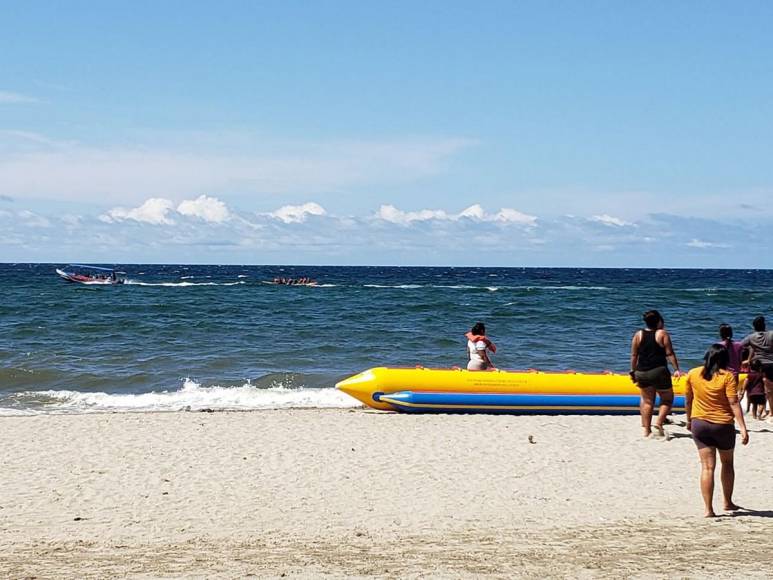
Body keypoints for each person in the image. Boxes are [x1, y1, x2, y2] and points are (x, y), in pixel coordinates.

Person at [685, 344, 749, 517]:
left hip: (699, 424)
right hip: (722, 426)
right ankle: (727, 503)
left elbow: (688, 400)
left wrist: (688, 420)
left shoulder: (692, 373)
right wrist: (743, 428)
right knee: (727, 464)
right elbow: (734, 403)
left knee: (707, 467)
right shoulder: (727, 376)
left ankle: (708, 509)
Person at [630, 310, 682, 438]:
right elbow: (669, 353)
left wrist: (633, 371)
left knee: (647, 401)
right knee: (667, 399)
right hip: (658, 371)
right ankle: (658, 423)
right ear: (659, 321)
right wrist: (676, 369)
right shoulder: (662, 334)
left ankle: (647, 431)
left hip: (641, 371)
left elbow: (634, 355)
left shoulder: (638, 334)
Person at [741, 316, 773, 423]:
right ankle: (770, 412)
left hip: (758, 365)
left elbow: (740, 346)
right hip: (771, 364)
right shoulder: (771, 334)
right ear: (764, 325)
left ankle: (765, 411)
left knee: (764, 389)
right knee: (769, 389)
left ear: (754, 327)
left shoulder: (751, 337)